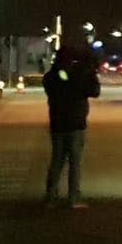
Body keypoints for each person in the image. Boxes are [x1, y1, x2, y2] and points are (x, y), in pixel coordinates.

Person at [44, 42, 100, 208]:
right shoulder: (77, 76)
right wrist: (90, 73)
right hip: (75, 124)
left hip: (57, 123)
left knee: (57, 160)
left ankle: (50, 196)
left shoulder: (51, 76)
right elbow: (94, 91)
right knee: (75, 162)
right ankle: (73, 198)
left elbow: (56, 85)